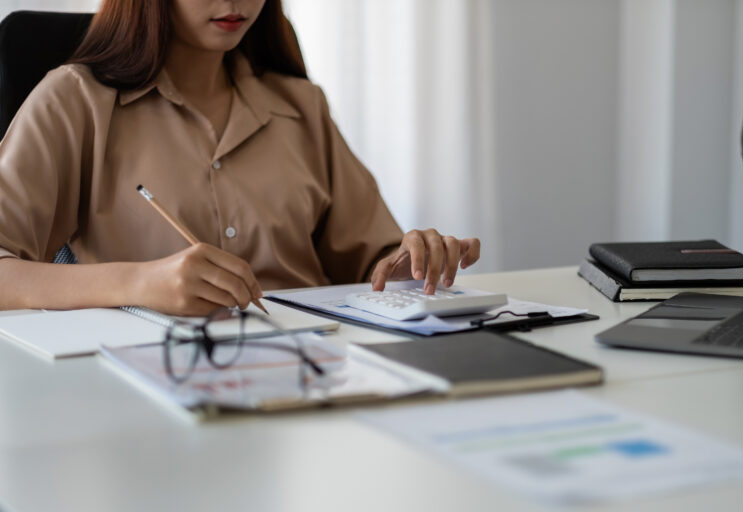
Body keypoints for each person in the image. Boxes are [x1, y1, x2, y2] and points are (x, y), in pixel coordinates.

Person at [0, 0, 481, 316]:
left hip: (309, 372)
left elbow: (373, 261)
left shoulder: (301, 106)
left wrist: (411, 263)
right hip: (154, 382)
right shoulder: (76, 100)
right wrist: (139, 283)